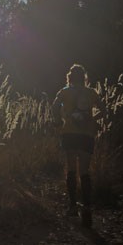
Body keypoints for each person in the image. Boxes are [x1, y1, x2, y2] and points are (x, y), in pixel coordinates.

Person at [52, 64, 104, 227]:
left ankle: (73, 205)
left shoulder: (64, 91)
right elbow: (104, 109)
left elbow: (54, 106)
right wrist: (93, 120)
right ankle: (87, 207)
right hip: (87, 136)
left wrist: (59, 121)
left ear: (70, 77)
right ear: (84, 77)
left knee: (71, 169)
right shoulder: (92, 92)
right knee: (85, 171)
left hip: (69, 134)